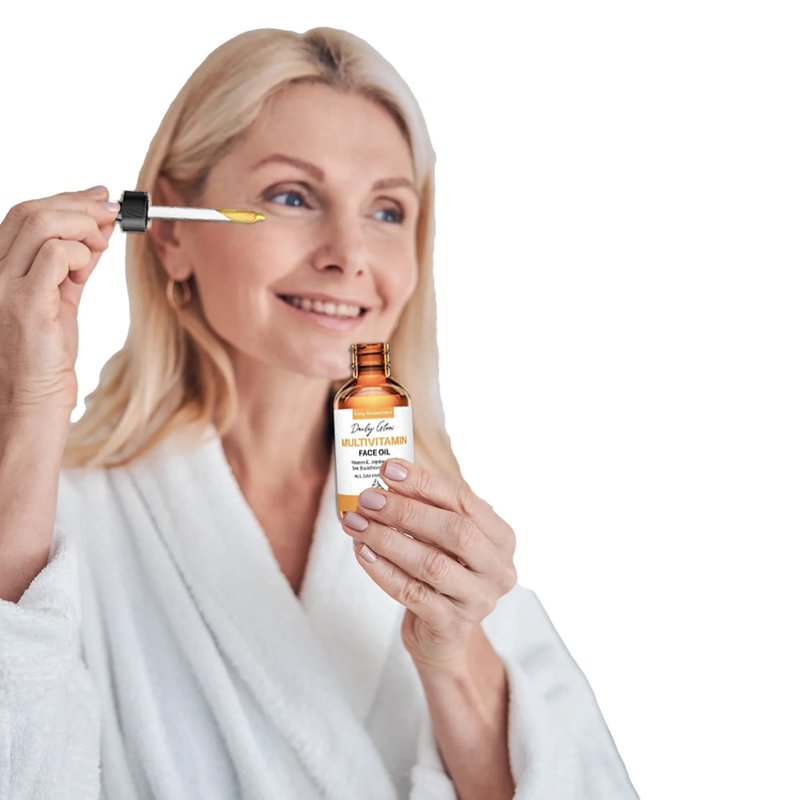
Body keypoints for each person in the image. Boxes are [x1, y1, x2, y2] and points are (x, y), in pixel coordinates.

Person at [0, 26, 639, 800]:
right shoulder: (54, 523)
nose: (350, 253)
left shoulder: (448, 542)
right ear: (169, 231)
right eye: (293, 197)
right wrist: (28, 405)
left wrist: (453, 655)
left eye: (387, 211)